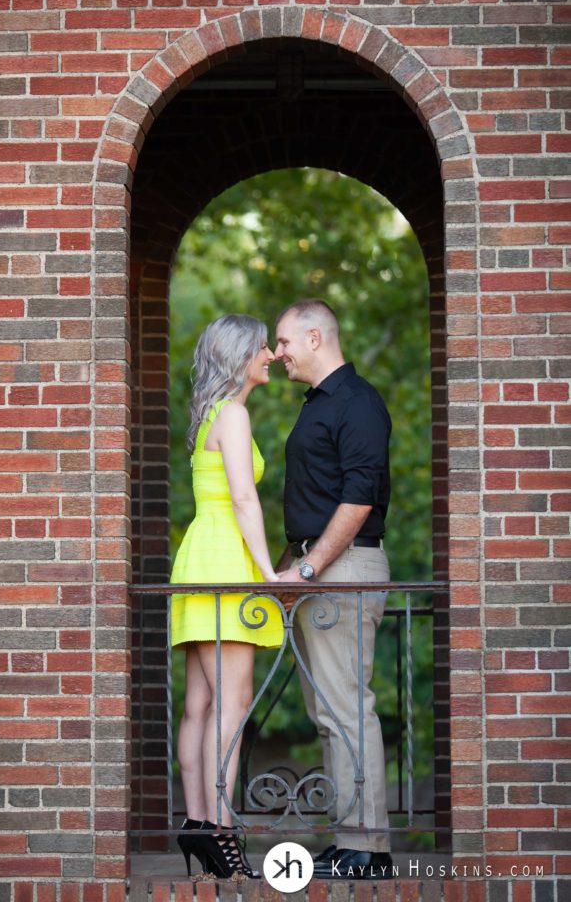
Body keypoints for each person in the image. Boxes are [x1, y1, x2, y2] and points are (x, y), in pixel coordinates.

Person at [274, 299, 394, 881]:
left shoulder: (357, 402)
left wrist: (309, 568)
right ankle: (349, 836)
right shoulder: (320, 405)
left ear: (315, 336)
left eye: (285, 342)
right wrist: (285, 570)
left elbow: (358, 496)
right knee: (329, 711)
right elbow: (313, 503)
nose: (278, 354)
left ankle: (368, 848)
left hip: (344, 570)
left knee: (348, 708)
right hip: (319, 570)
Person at [169, 314, 283, 879]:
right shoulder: (233, 413)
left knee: (200, 706)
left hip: (198, 557)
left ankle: (196, 825)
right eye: (263, 346)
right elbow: (243, 498)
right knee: (231, 706)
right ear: (241, 355)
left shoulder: (208, 415)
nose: (270, 354)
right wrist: (268, 575)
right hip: (225, 561)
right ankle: (219, 830)